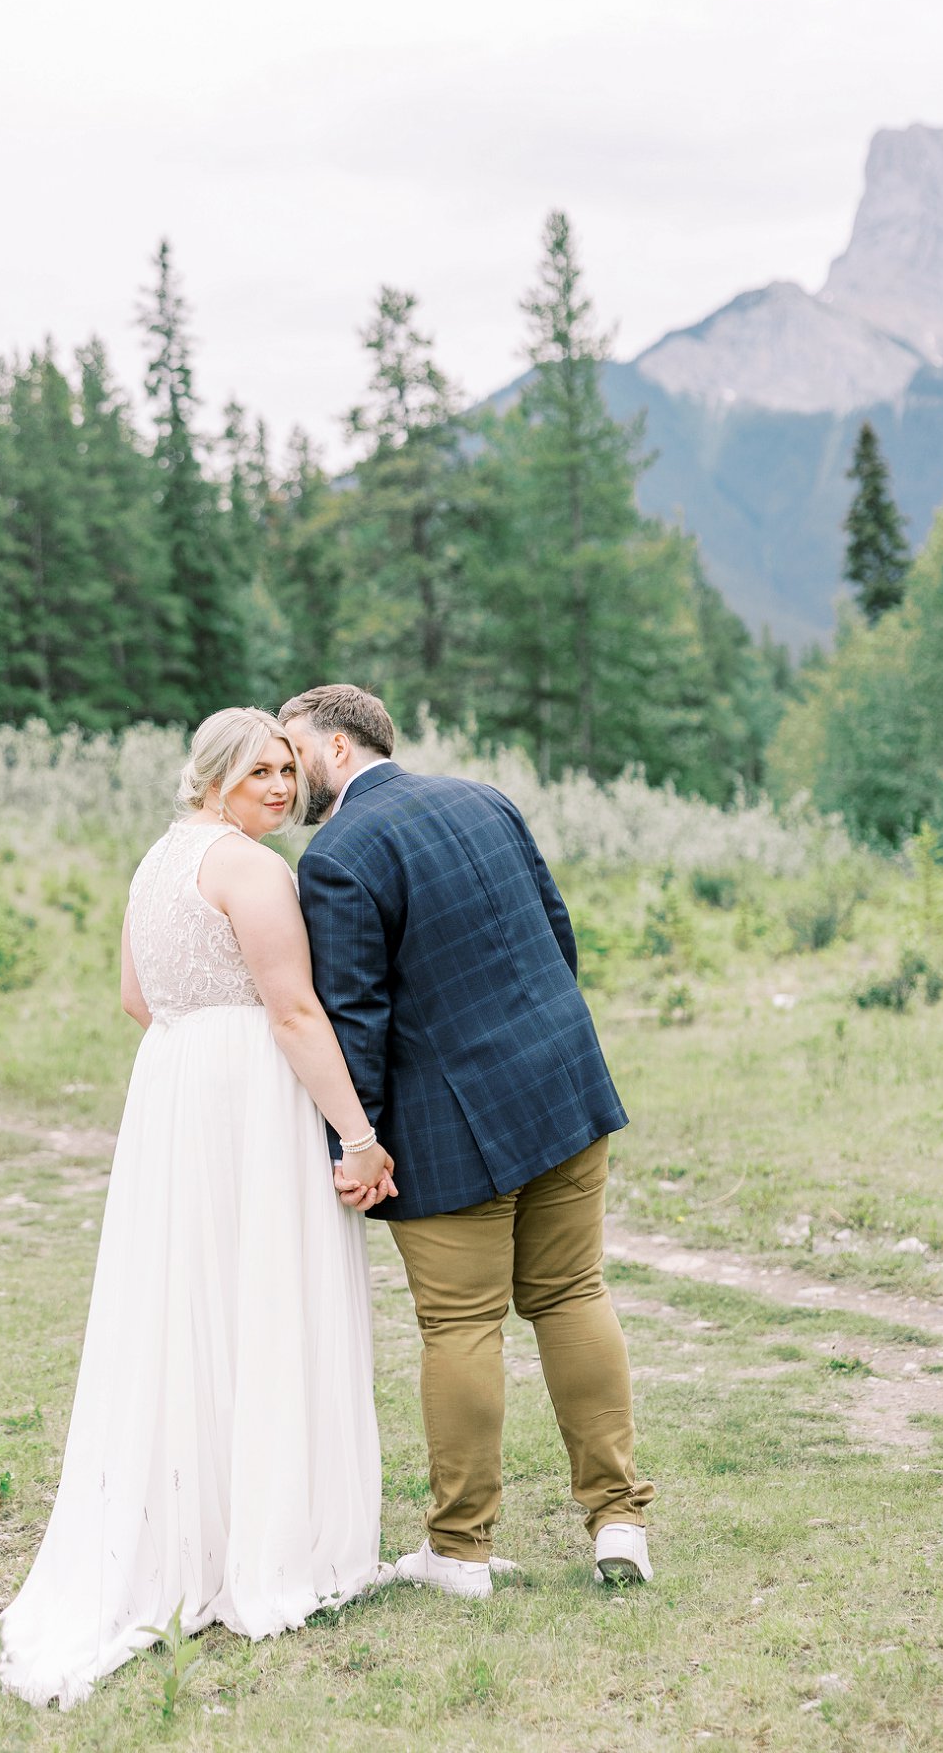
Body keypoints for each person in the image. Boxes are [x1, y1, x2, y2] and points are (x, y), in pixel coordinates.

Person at [0, 708, 395, 1709]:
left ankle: (199, 1531)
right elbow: (294, 1010)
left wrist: (201, 1043)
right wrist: (357, 1136)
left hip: (176, 1087)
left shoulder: (159, 861)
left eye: (287, 770)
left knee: (187, 1304)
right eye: (260, 772)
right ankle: (266, 1544)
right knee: (262, 1297)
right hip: (246, 1093)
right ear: (214, 777)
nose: (281, 788)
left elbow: (138, 999)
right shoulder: (252, 869)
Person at [280, 683, 655, 1597]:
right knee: (572, 1294)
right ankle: (620, 1524)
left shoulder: (337, 856)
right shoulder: (484, 798)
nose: (286, 780)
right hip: (563, 1086)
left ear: (336, 747)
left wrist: (354, 1139)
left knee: (459, 1326)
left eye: (291, 756)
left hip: (454, 1132)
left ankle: (459, 1550)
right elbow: (556, 935)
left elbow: (354, 1016)